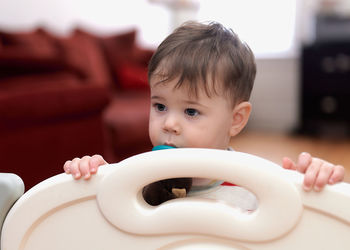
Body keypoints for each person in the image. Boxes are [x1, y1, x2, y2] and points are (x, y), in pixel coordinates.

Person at [63, 21, 345, 209]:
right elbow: (103, 218)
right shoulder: (137, 178)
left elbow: (312, 224)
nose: (170, 124)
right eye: (160, 106)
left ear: (236, 119)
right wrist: (94, 177)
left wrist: (314, 184)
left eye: (191, 111)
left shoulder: (256, 185)